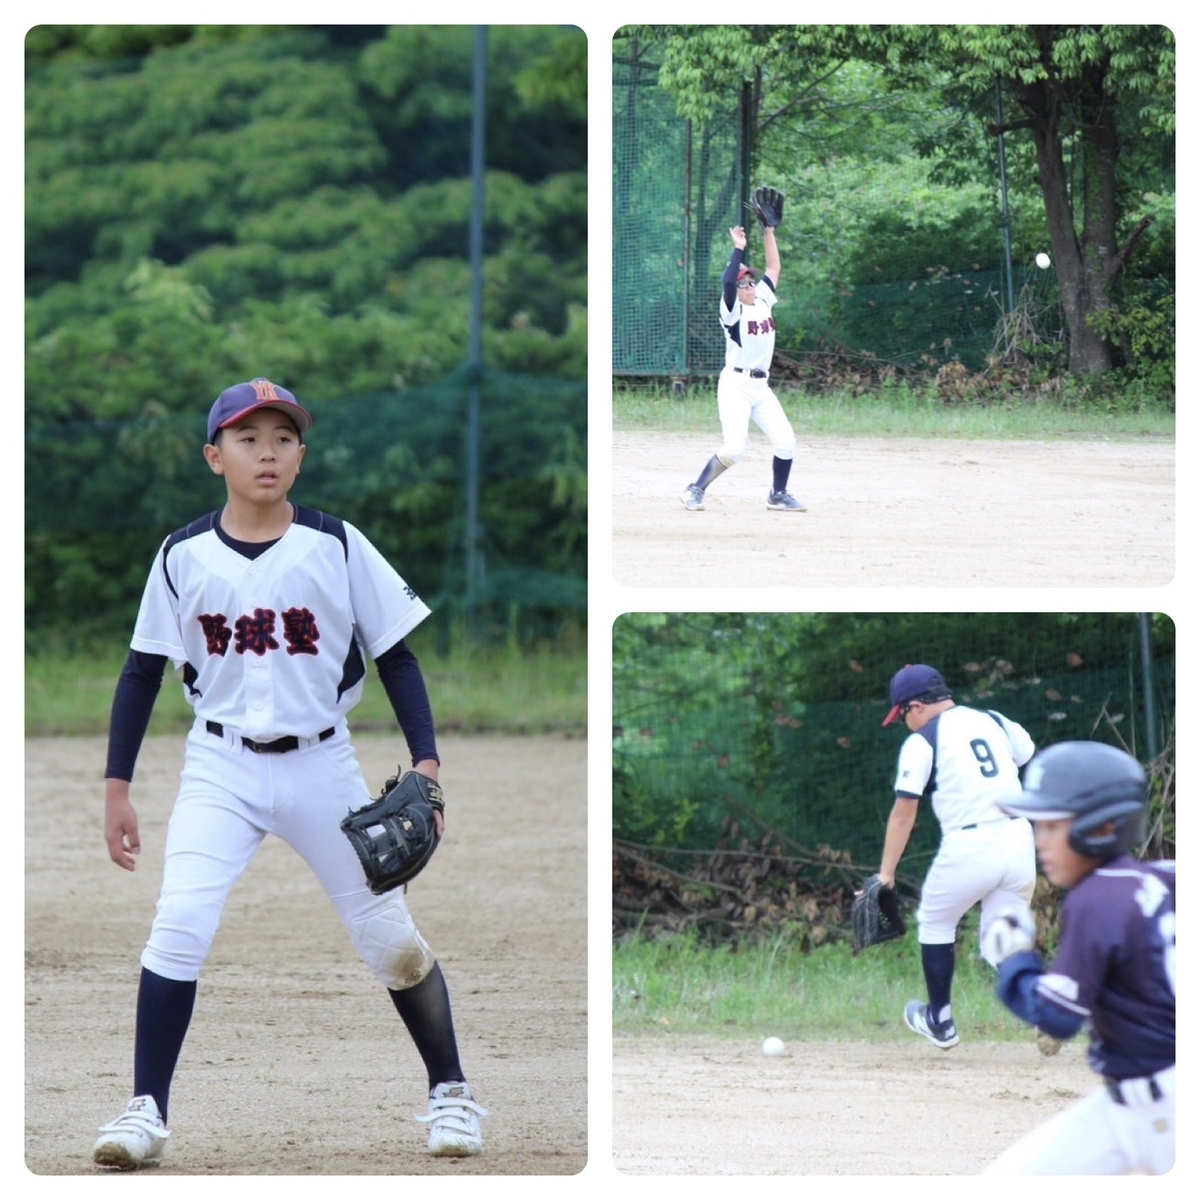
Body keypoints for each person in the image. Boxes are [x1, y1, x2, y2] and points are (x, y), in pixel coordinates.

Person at [92, 378, 487, 1169]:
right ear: (215, 457)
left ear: (301, 457)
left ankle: (452, 1091)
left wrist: (429, 764)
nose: (266, 452)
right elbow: (141, 671)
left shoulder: (336, 544)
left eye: (283, 438)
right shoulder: (181, 556)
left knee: (389, 938)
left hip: (322, 765)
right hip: (219, 767)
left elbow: (397, 655)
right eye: (247, 438)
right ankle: (145, 1110)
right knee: (179, 923)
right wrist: (116, 789)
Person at [981, 741, 1174, 1175]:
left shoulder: (1096, 897)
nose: (1039, 841)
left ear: (1101, 827)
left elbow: (1057, 1018)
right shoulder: (1164, 878)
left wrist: (1015, 961)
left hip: (1164, 1109)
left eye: (1052, 825)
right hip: (1127, 1105)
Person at [875, 663, 1037, 1049]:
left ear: (916, 706)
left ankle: (940, 1019)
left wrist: (886, 874)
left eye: (902, 716)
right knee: (1001, 943)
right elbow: (1030, 758)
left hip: (971, 843)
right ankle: (1043, 1007)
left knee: (935, 921)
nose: (905, 724)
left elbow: (904, 813)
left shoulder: (923, 741)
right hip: (1018, 838)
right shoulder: (995, 720)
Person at [679, 221, 805, 513]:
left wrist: (769, 233)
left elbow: (773, 267)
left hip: (760, 387)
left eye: (751, 282)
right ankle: (695, 489)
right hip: (736, 386)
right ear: (735, 290)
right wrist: (738, 248)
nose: (750, 286)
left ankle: (778, 494)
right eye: (744, 283)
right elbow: (727, 282)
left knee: (786, 441)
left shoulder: (762, 300)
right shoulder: (732, 312)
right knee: (735, 449)